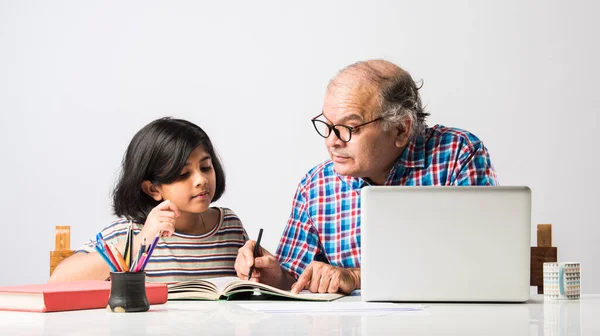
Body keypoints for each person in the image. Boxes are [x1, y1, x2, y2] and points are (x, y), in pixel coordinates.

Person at [235, 59, 498, 294]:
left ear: (401, 129)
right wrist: (274, 275)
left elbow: (482, 264)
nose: (332, 142)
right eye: (327, 125)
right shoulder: (316, 185)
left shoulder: (457, 155)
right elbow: (296, 280)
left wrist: (357, 277)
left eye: (349, 128)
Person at [49, 117, 248, 283]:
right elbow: (58, 281)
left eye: (205, 167)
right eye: (183, 174)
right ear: (153, 189)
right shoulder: (129, 232)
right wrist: (141, 241)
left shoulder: (229, 226)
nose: (201, 180)